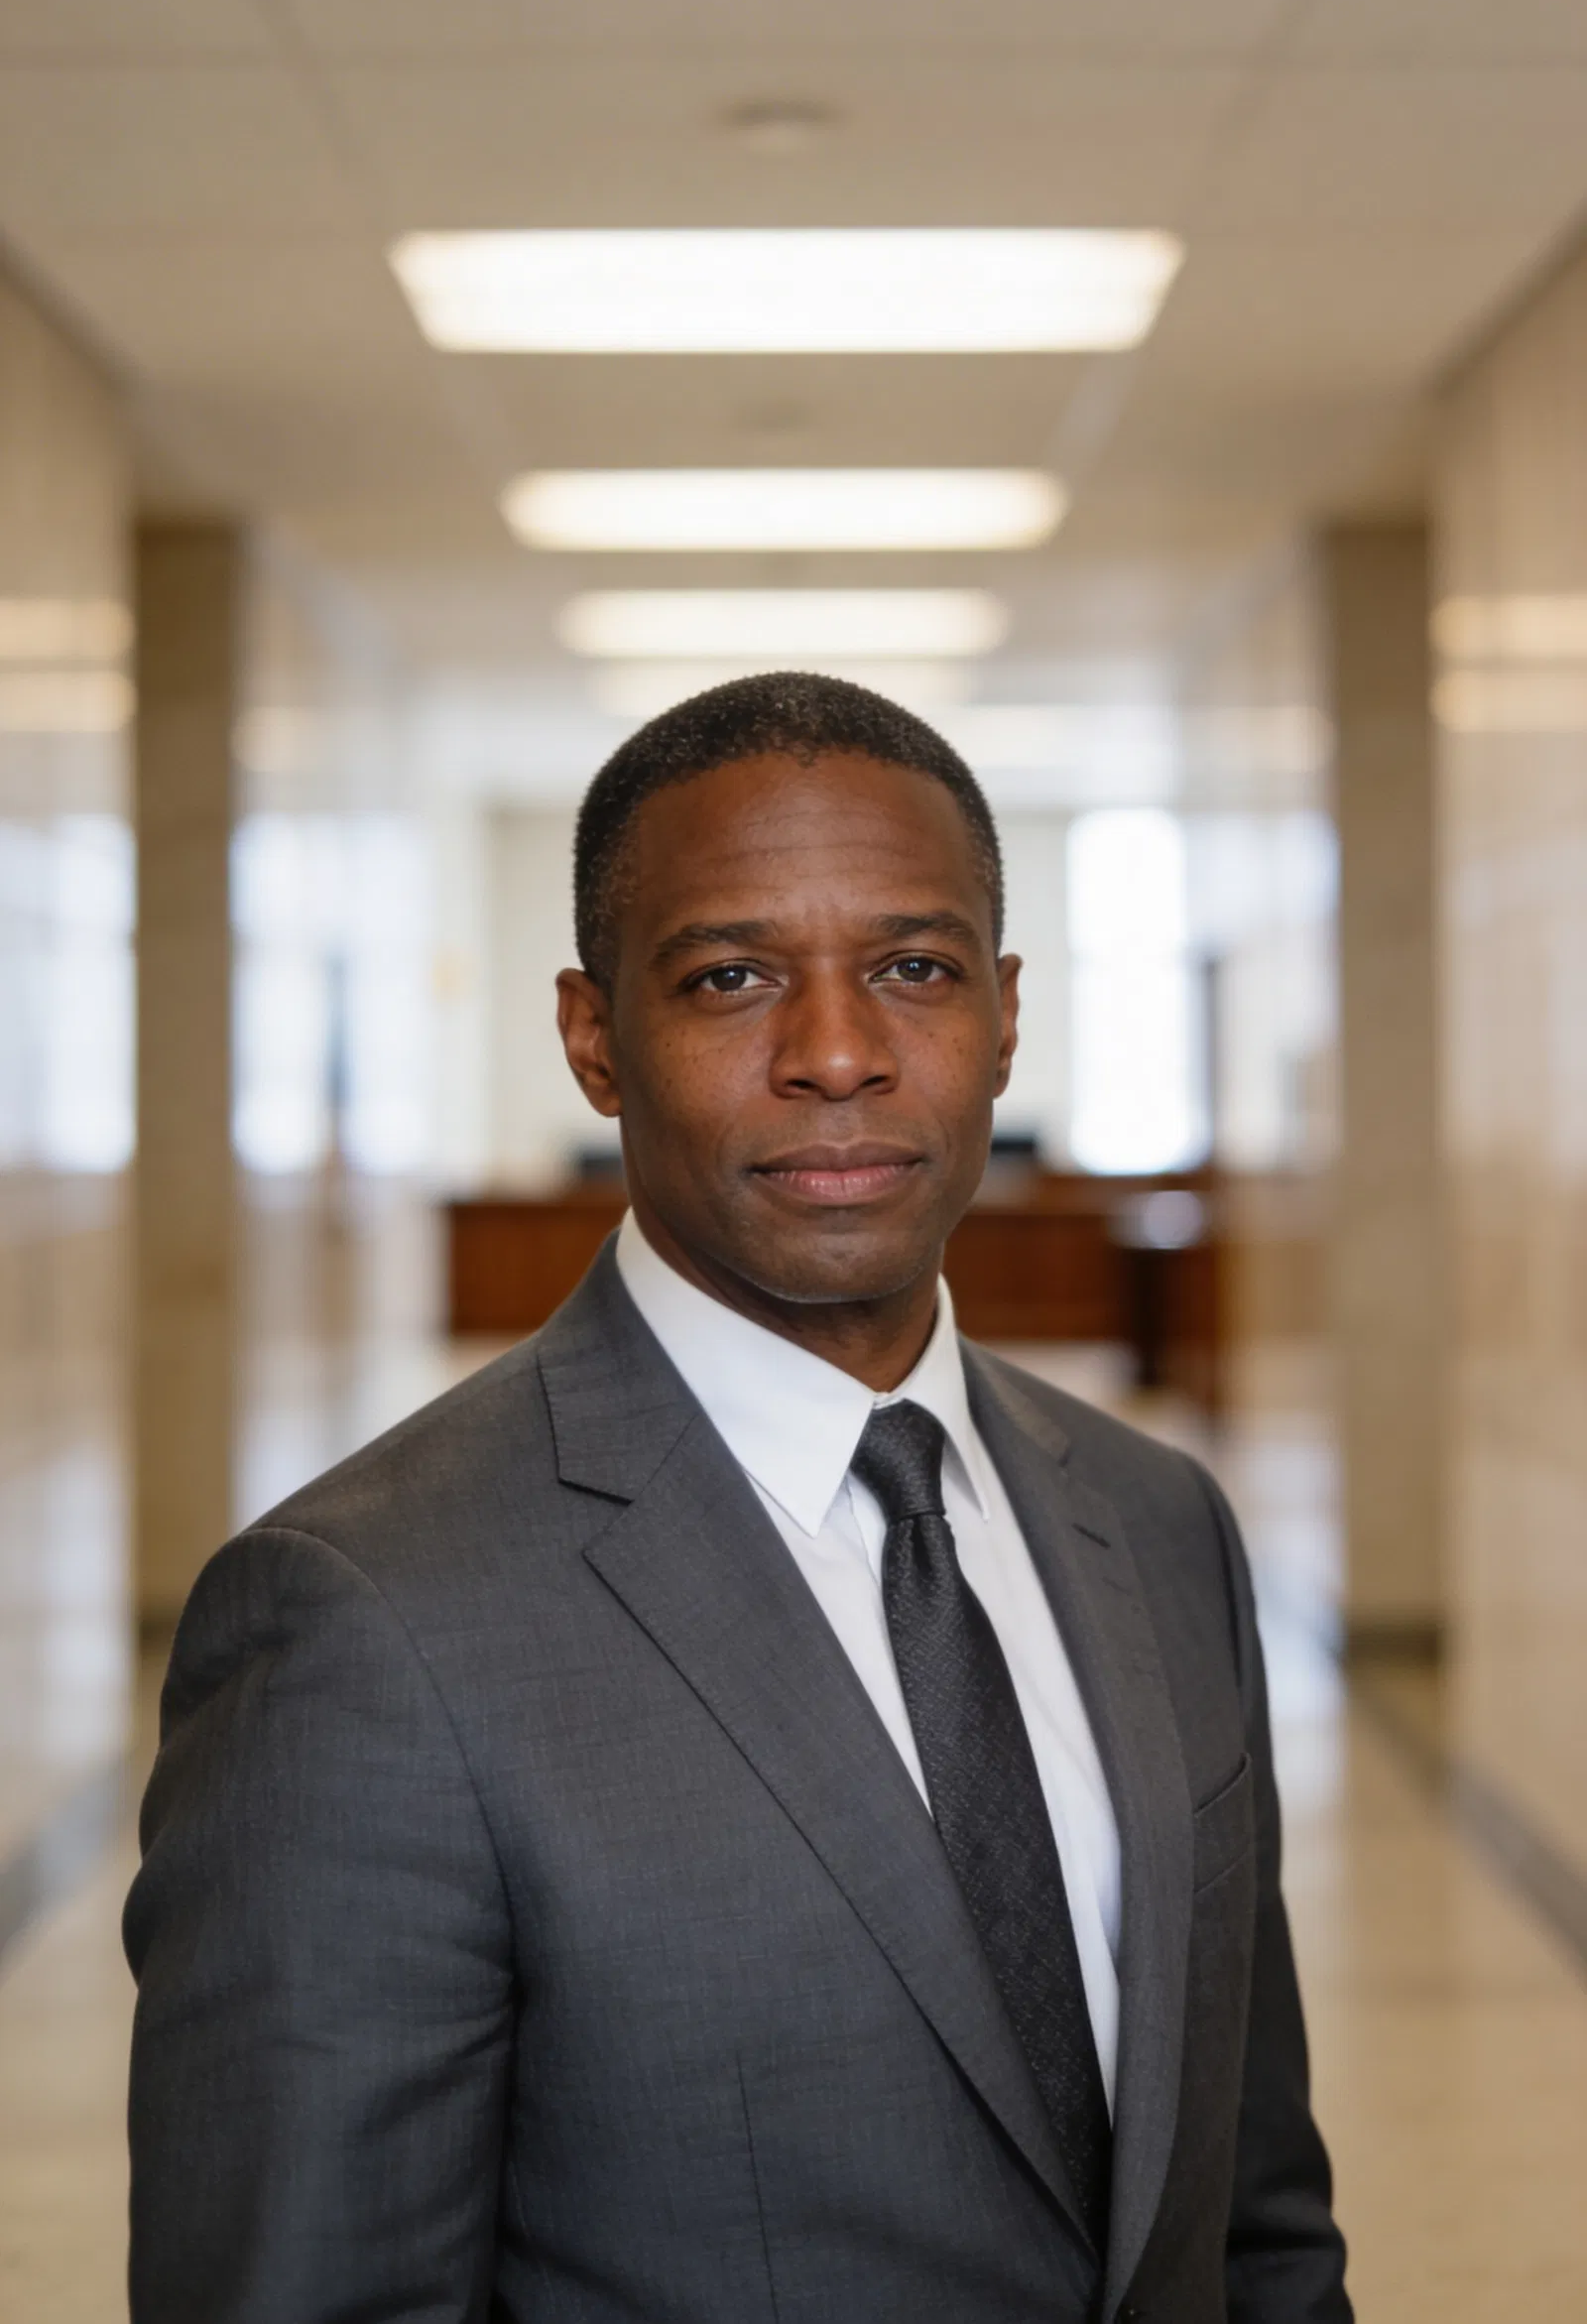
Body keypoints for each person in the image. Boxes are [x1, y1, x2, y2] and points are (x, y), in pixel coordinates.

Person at [125, 671, 1350, 2324]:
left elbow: (1257, 2229)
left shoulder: (1157, 1521)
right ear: (592, 1039)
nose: (838, 1054)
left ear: (1004, 1016)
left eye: (912, 971)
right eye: (731, 977)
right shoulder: (363, 1622)